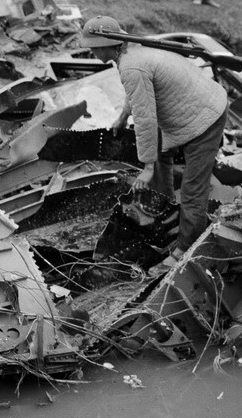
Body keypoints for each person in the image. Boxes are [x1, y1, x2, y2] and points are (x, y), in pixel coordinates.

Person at [80, 15, 227, 267]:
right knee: (158, 155)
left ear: (107, 44)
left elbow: (146, 119)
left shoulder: (131, 65)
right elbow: (139, 94)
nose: (91, 51)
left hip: (206, 119)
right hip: (194, 105)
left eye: (93, 47)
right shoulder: (131, 54)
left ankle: (185, 249)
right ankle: (163, 210)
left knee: (193, 190)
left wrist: (146, 167)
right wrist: (123, 117)